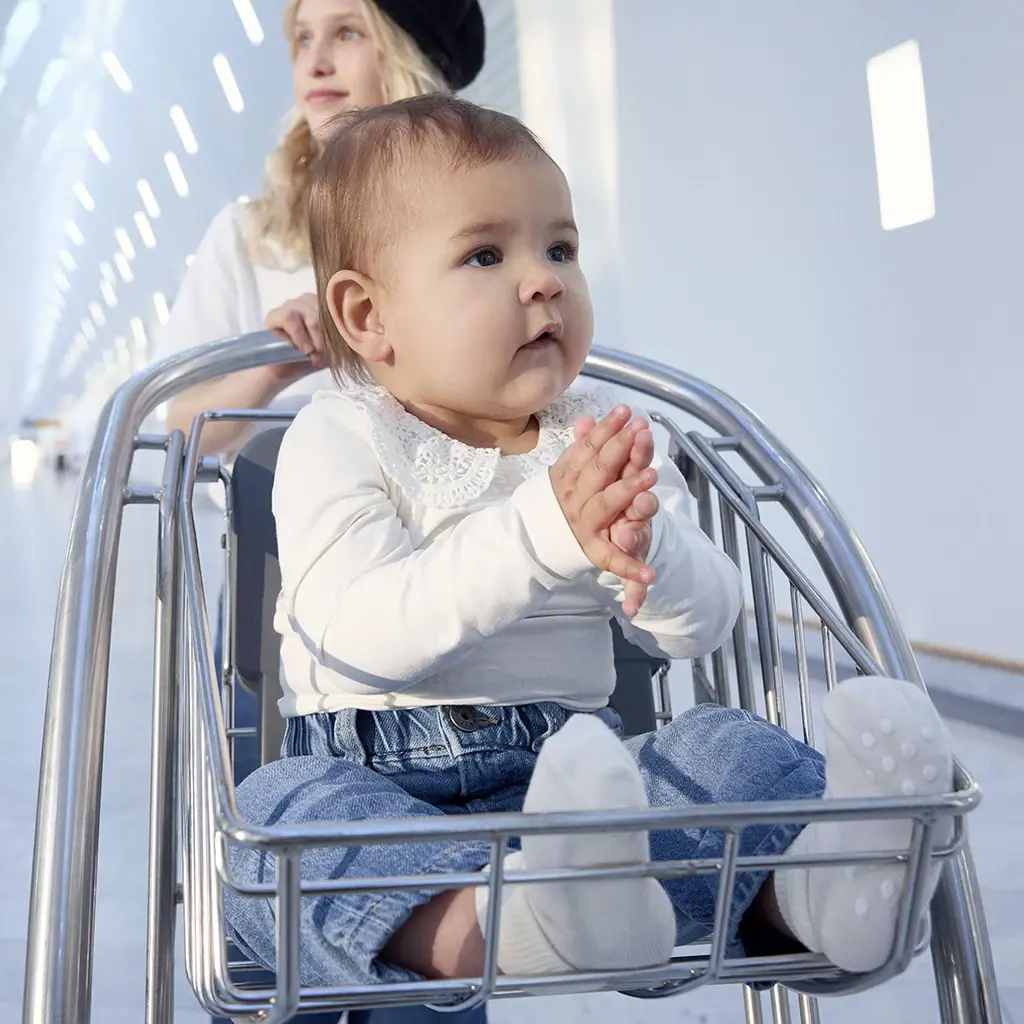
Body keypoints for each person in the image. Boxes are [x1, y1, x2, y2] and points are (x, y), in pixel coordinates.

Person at [221, 95, 955, 1000]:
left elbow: (699, 627)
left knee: (717, 747)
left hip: (577, 783)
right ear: (369, 317)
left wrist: (652, 552)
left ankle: (822, 886)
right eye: (486, 254)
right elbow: (357, 632)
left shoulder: (602, 433)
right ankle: (516, 926)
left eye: (559, 248)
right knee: (277, 823)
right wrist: (543, 534)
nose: (542, 280)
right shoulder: (342, 434)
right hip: (377, 777)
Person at [151, 3, 489, 1021]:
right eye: (302, 37)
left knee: (430, 883)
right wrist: (276, 357)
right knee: (273, 865)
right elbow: (184, 430)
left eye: (347, 30)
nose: (317, 61)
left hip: (433, 604)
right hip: (276, 608)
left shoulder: (476, 209)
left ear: (408, 52)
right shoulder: (250, 234)